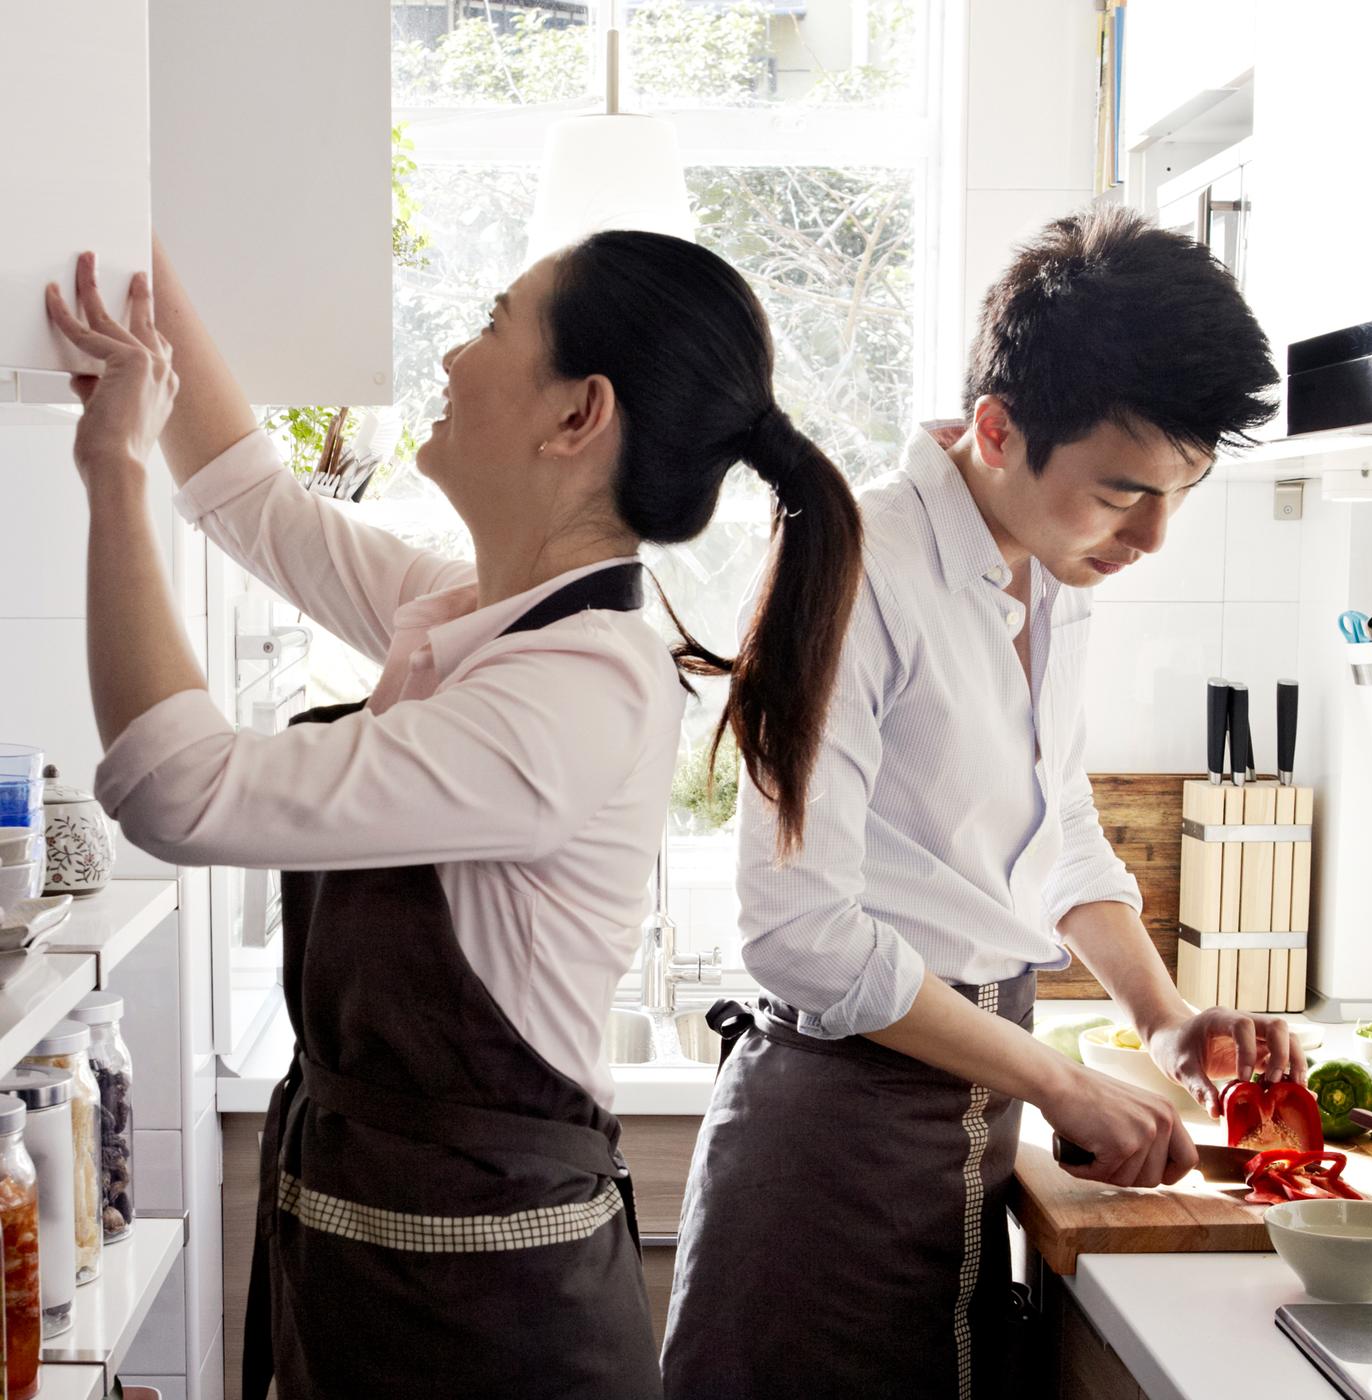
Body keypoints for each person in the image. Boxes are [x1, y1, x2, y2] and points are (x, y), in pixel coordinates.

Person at [44, 231, 862, 1399]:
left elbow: (177, 787)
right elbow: (247, 497)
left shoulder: (574, 692)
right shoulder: (481, 615)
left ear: (578, 414)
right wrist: (130, 234)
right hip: (376, 1297)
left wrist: (112, 472)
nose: (451, 348)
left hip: (496, 1342)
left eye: (490, 319)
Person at [662, 205, 1297, 1400]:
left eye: (1179, 493)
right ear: (996, 429)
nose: (1151, 535)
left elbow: (1053, 826)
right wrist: (1057, 1077)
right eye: (1122, 494)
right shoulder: (854, 560)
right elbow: (796, 930)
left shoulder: (1052, 568)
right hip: (833, 1146)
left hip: (962, 1126)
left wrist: (1160, 1017)